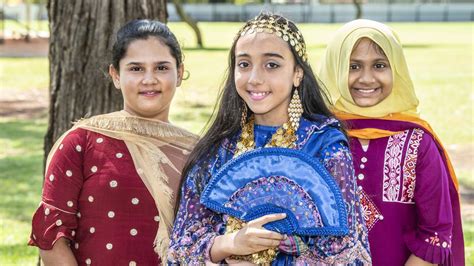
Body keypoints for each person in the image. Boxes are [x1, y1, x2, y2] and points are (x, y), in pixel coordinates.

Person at [168, 13, 371, 265]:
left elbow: (348, 255)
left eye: (271, 65)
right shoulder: (219, 148)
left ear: (297, 73)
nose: (254, 78)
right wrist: (228, 244)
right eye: (244, 64)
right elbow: (179, 249)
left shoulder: (324, 146)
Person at [28, 19, 198, 265]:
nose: (149, 79)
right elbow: (52, 237)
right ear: (116, 75)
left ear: (179, 73)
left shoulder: (197, 152)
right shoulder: (81, 143)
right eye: (136, 69)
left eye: (161, 68)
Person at [318, 19, 464, 266]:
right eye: (353, 66)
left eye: (379, 65)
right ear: (335, 67)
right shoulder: (318, 138)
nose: (366, 78)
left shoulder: (418, 141)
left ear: (396, 69)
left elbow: (436, 233)